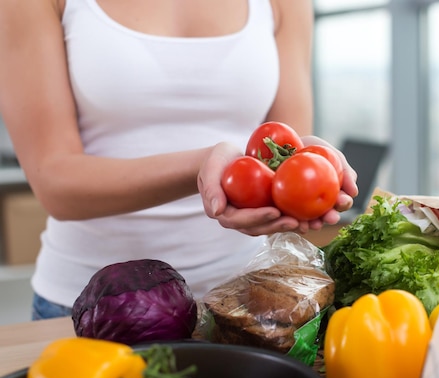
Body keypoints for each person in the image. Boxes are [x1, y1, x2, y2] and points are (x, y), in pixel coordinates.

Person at [0, 0, 358, 320]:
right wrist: (202, 168)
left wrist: (312, 166)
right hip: (95, 306)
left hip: (247, 304)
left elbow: (285, 151)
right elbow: (54, 184)